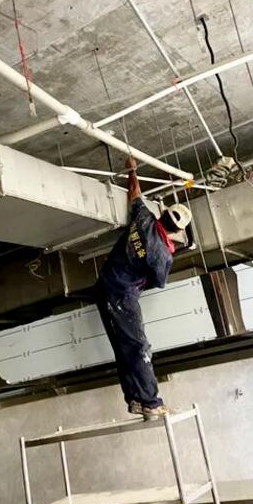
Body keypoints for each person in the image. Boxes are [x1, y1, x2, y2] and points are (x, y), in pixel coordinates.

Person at [95, 156, 192, 419]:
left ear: (163, 214)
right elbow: (158, 281)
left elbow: (135, 194)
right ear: (177, 230)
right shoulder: (163, 256)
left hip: (105, 285)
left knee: (123, 347)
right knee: (138, 347)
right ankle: (150, 402)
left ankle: (135, 400)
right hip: (122, 296)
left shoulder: (144, 218)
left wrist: (133, 170)